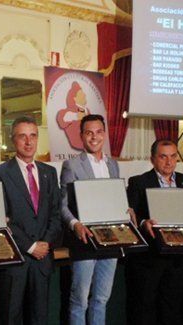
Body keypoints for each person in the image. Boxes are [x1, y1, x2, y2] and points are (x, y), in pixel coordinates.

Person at [124, 139, 183, 325]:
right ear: (152, 159)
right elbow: (131, 213)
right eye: (163, 157)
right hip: (150, 257)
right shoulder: (138, 182)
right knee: (145, 306)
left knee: (173, 306)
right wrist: (144, 222)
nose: (169, 162)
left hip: (180, 256)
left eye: (173, 156)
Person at [0, 116, 61, 324]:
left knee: (39, 318)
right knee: (9, 317)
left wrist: (45, 243)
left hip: (42, 261)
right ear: (13, 140)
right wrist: (30, 246)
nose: (28, 142)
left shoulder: (49, 172)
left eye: (33, 136)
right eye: (22, 136)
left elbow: (55, 214)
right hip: (15, 261)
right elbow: (0, 219)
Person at [59, 114, 121, 325]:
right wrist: (75, 224)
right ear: (81, 136)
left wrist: (126, 209)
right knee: (80, 301)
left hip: (111, 239)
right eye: (89, 133)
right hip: (84, 239)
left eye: (98, 132)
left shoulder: (113, 165)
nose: (94, 137)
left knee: (102, 299)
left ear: (104, 134)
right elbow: (63, 205)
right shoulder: (72, 165)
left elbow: (114, 199)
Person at [56, 81, 89, 150]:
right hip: (77, 146)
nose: (84, 95)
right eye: (81, 94)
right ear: (74, 98)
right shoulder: (68, 112)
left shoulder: (87, 110)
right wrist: (76, 116)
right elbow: (62, 118)